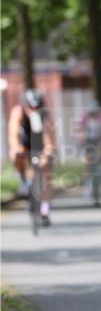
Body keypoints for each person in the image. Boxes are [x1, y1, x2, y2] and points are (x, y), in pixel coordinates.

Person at [7, 89, 57, 225]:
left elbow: (49, 138)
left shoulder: (44, 115)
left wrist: (47, 153)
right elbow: (12, 134)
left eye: (37, 107)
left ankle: (45, 210)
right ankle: (23, 182)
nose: (34, 109)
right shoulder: (18, 112)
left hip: (40, 143)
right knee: (16, 155)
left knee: (46, 171)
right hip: (24, 143)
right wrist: (17, 149)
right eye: (31, 107)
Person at [76, 100, 101, 200]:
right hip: (88, 141)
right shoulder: (84, 118)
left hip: (100, 139)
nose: (92, 115)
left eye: (94, 113)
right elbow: (79, 131)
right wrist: (81, 140)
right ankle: (87, 185)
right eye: (91, 113)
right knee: (88, 162)